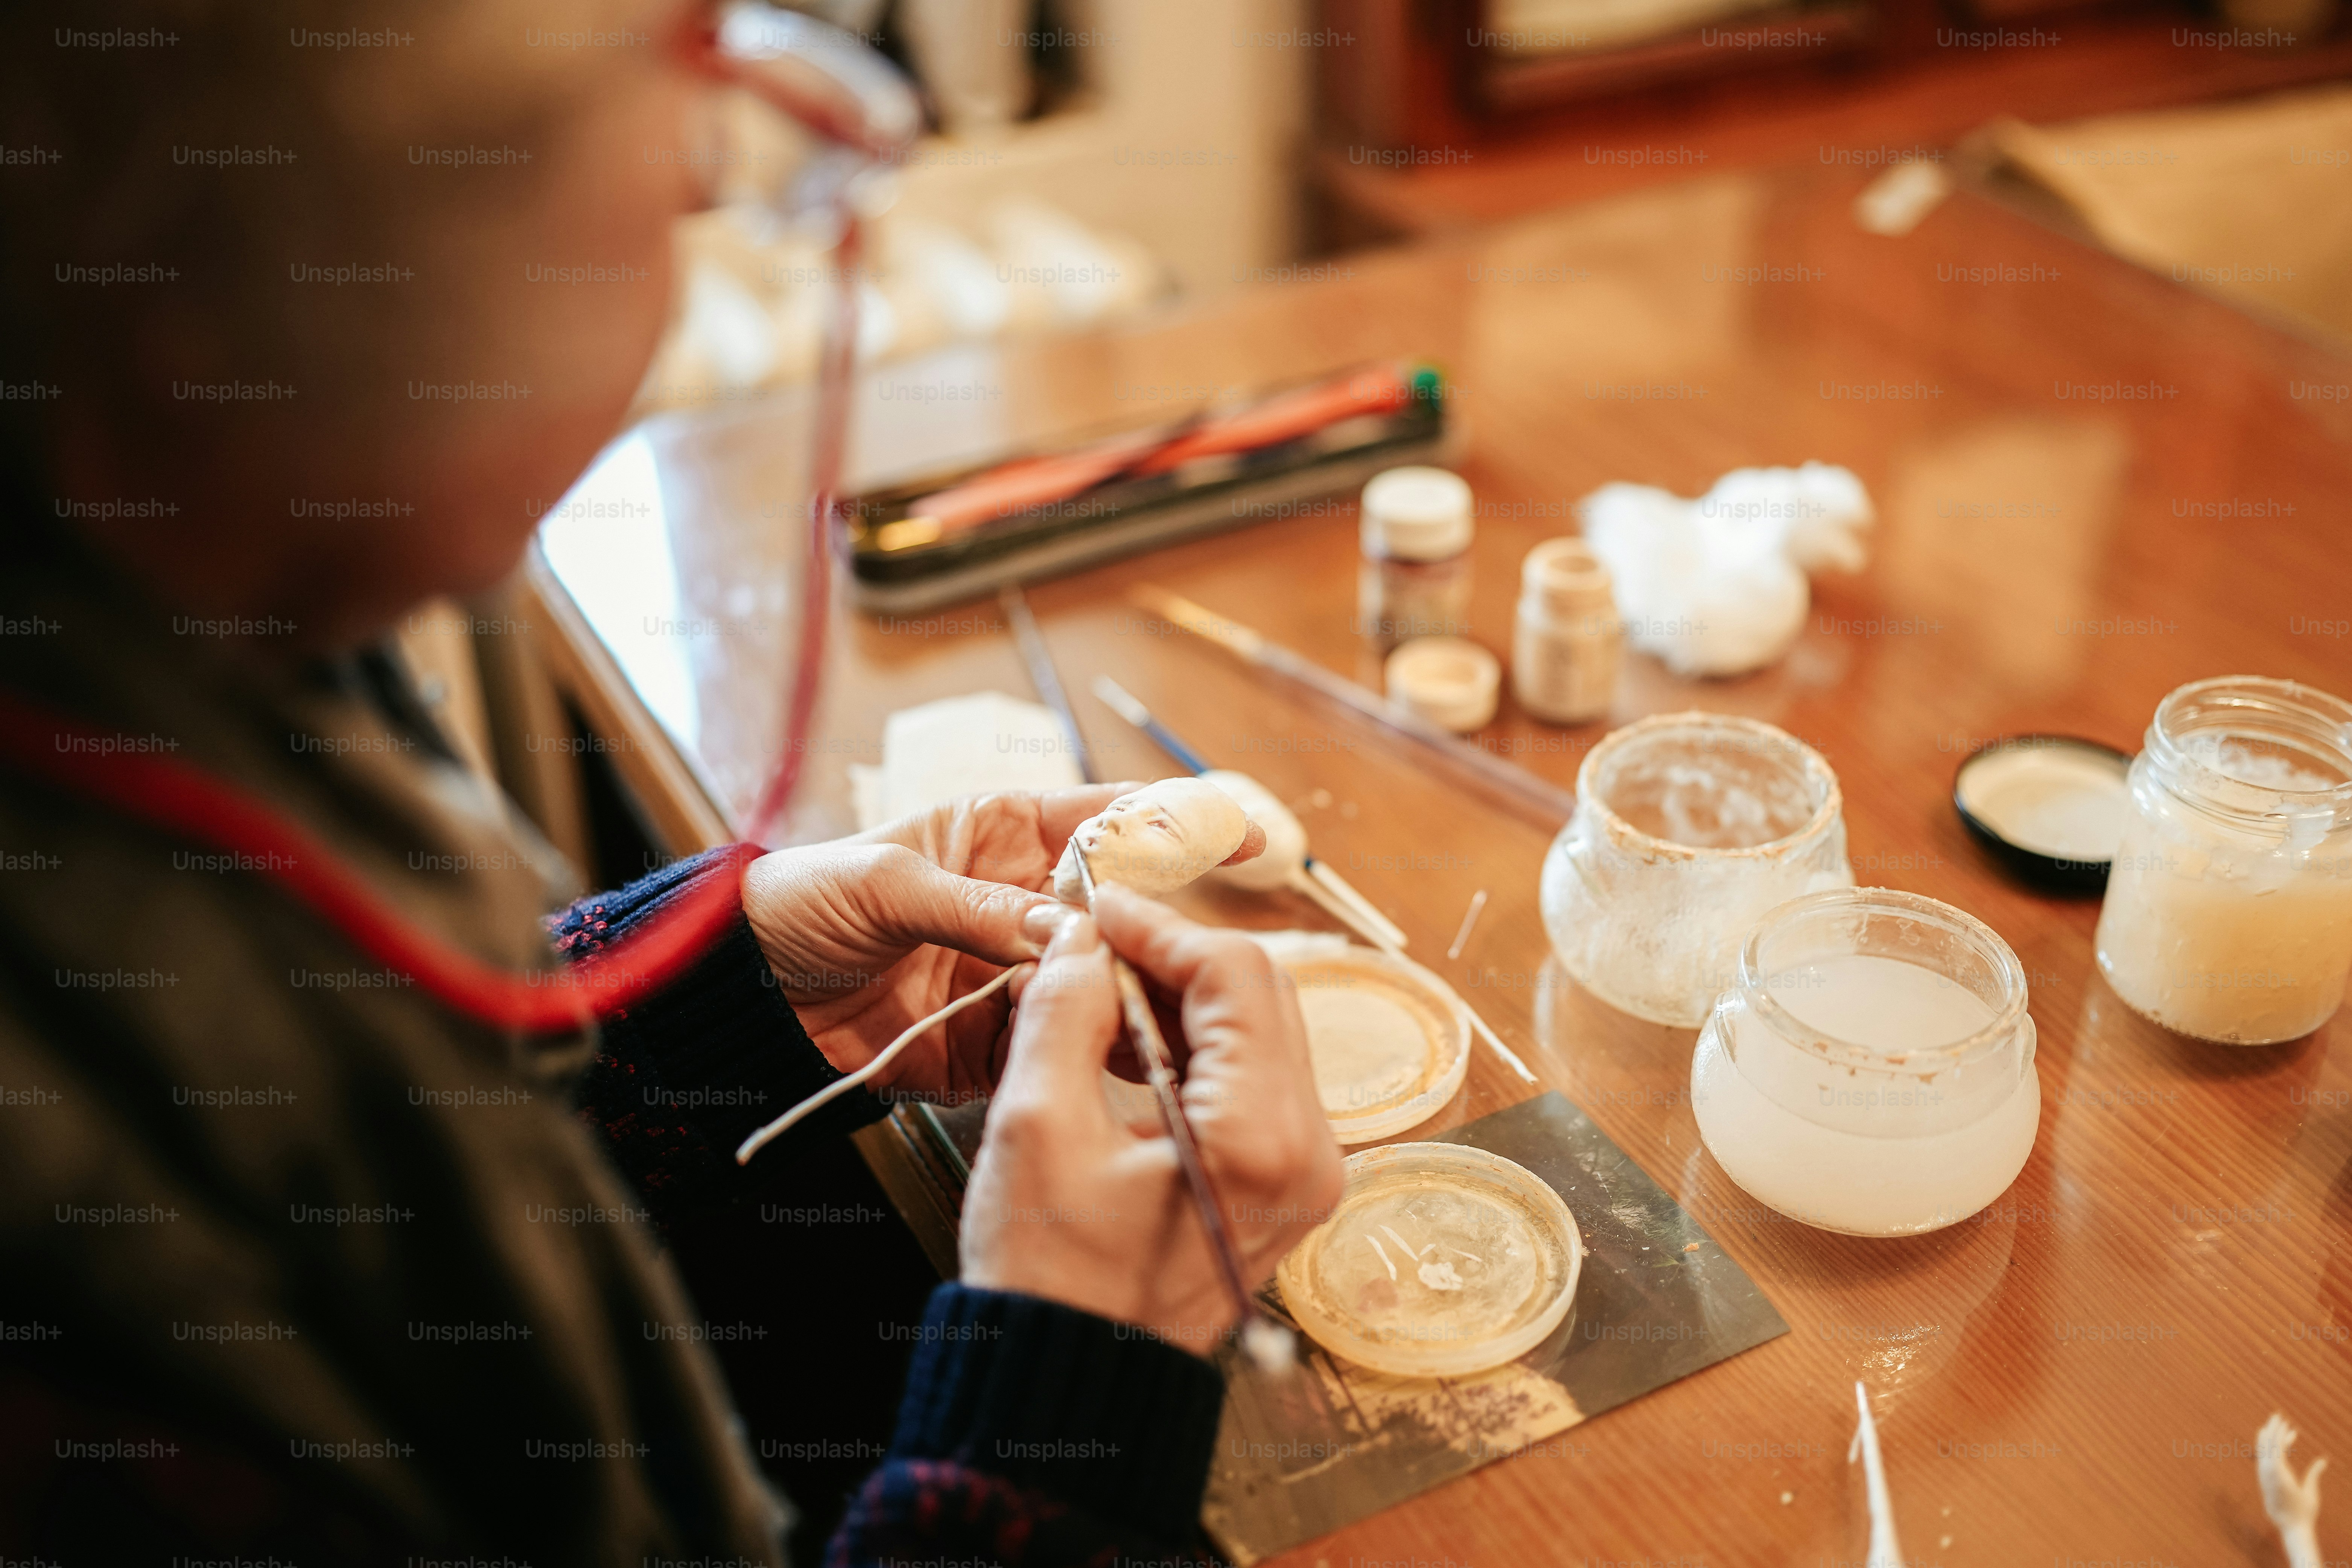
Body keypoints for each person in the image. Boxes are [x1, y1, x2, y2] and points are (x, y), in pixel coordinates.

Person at [0, 1, 1342, 1563]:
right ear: (219, 309)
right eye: (669, 69)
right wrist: (1070, 1397)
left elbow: (429, 1139)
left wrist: (718, 997)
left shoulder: (185, 620)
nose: (712, 175)